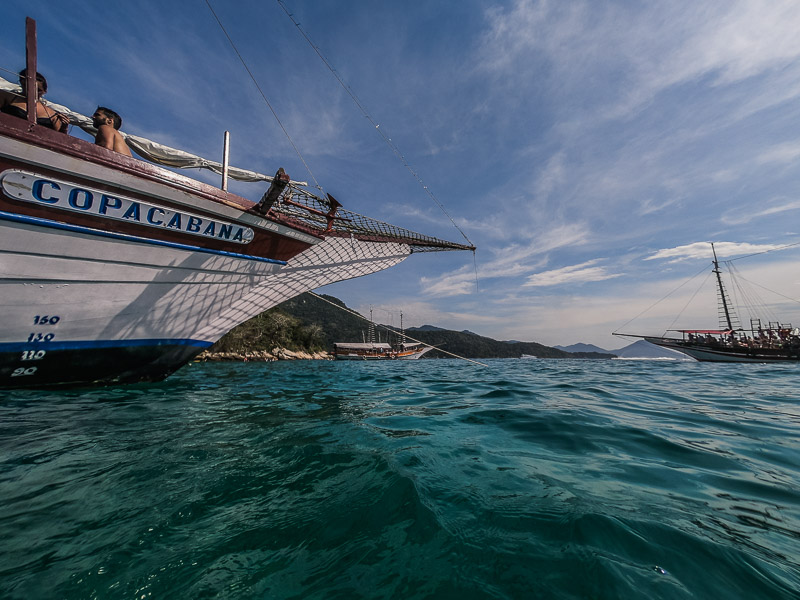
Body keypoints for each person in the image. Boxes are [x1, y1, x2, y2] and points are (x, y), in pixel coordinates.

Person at [0, 69, 69, 132]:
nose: (34, 92)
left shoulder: (52, 115)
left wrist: (64, 127)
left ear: (44, 91)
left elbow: (60, 137)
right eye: (30, 87)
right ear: (22, 83)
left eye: (38, 90)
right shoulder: (7, 97)